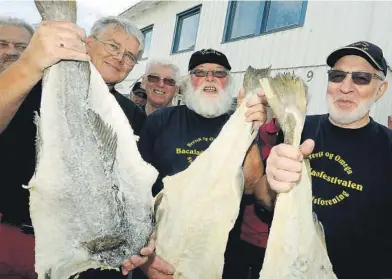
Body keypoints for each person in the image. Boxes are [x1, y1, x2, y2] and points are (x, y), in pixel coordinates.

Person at [0, 16, 155, 279]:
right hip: (17, 243)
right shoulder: (33, 85)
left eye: (130, 56)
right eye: (113, 46)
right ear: (88, 43)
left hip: (91, 257)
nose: (120, 58)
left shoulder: (133, 113)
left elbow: (136, 187)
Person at [254, 41, 392, 279]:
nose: (345, 87)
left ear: (380, 90)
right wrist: (271, 181)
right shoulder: (298, 129)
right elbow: (263, 199)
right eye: (337, 76)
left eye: (361, 78)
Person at [131, 48, 267, 279]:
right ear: (188, 81)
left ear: (229, 82)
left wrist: (250, 128)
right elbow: (136, 188)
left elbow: (252, 186)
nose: (210, 78)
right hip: (161, 250)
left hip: (219, 254)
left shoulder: (238, 125)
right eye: (200, 72)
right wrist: (143, 254)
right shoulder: (161, 120)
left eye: (219, 73)